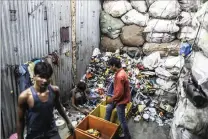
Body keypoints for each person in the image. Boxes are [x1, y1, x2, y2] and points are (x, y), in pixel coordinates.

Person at [17, 62, 74, 139]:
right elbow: (21, 120)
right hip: (34, 134)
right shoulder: (25, 96)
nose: (45, 80)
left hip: (51, 131)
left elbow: (59, 107)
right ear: (34, 77)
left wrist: (69, 123)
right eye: (41, 77)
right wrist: (20, 137)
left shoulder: (55, 90)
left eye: (47, 77)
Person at [105, 57, 131, 139]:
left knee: (122, 120)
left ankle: (127, 136)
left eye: (110, 66)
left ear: (114, 65)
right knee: (108, 108)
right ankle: (105, 126)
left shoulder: (120, 76)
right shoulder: (121, 71)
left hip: (120, 100)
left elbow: (120, 93)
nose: (110, 68)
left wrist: (111, 99)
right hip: (118, 98)